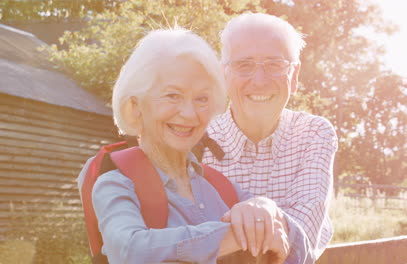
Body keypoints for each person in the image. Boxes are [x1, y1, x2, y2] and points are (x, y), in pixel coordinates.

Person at [77, 28, 313, 264]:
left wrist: (266, 208)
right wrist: (236, 236)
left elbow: (300, 249)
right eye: (172, 95)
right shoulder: (116, 185)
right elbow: (130, 252)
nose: (189, 114)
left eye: (201, 99)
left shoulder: (221, 187)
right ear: (135, 106)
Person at [202, 13, 338, 261]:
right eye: (244, 65)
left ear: (294, 76)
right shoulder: (197, 140)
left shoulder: (314, 134)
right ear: (224, 74)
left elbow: (302, 240)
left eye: (275, 65)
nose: (260, 80)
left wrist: (260, 215)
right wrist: (273, 223)